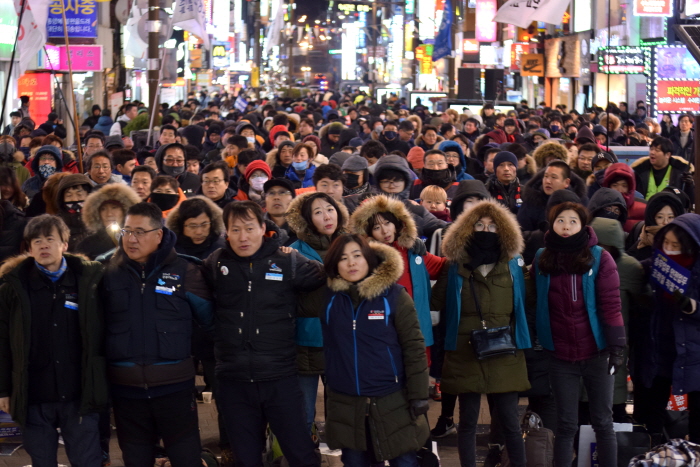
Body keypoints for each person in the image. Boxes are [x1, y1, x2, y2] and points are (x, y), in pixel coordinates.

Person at [202, 201, 325, 467]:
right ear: (227, 232)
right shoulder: (215, 263)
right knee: (246, 458)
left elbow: (327, 273)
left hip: (280, 377)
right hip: (233, 379)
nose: (243, 237)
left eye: (249, 228)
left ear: (262, 227)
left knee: (301, 453)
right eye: (236, 229)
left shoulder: (287, 260)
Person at [297, 234, 430, 466]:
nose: (351, 263)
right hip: (346, 402)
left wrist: (419, 395)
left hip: (392, 399)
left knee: (404, 460)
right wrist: (288, 257)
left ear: (368, 258)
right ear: (334, 265)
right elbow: (286, 301)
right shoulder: (328, 297)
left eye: (357, 256)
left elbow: (414, 348)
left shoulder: (395, 296)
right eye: (343, 258)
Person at [101, 202, 213, 467]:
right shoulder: (106, 272)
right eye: (126, 231)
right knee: (136, 459)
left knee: (186, 458)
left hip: (174, 387)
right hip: (126, 391)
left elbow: (210, 323)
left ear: (159, 234)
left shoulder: (186, 271)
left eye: (140, 232)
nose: (131, 239)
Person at [0, 214, 107, 467]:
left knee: (87, 460)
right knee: (42, 461)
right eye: (36, 241)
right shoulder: (12, 288)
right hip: (34, 393)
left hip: (79, 393)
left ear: (65, 244)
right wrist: (3, 389)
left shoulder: (89, 281)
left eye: (50, 239)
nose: (43, 245)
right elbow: (2, 341)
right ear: (29, 247)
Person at [431, 200, 531, 467]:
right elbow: (434, 301)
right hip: (465, 349)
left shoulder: (513, 266)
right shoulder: (455, 266)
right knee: (468, 421)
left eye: (492, 226)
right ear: (466, 229)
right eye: (479, 225)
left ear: (504, 232)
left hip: (505, 350)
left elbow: (527, 303)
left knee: (510, 421)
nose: (485, 230)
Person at [532, 202, 625, 467]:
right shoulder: (542, 257)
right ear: (552, 224)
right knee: (566, 424)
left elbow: (611, 304)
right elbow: (534, 299)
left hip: (597, 351)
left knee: (603, 422)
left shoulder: (599, 257)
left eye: (573, 221)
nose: (566, 226)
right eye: (560, 220)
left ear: (583, 225)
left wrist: (617, 346)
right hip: (559, 354)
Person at [285, 192, 349, 436]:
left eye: (330, 209)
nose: (326, 216)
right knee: (303, 411)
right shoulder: (292, 251)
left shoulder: (351, 245)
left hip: (341, 338)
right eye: (318, 212)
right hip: (306, 340)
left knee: (342, 408)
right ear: (307, 219)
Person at [632, 213, 700, 442]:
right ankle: (655, 450)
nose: (670, 249)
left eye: (676, 245)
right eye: (666, 243)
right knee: (654, 406)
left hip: (694, 350)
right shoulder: (656, 264)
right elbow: (631, 273)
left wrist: (693, 307)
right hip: (660, 344)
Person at [350, 194, 446, 350]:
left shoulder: (413, 252)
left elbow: (444, 267)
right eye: (376, 227)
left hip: (417, 331)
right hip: (382, 335)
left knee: (419, 370)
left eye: (387, 223)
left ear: (397, 223)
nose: (384, 230)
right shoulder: (365, 260)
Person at [590, 217, 649, 422]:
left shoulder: (629, 268)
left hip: (615, 341)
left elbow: (644, 301)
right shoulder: (580, 260)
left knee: (612, 400)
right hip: (591, 339)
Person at [75, 183, 141, 260]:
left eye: (114, 207)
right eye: (103, 209)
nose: (109, 214)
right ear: (96, 213)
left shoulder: (137, 238)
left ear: (125, 210)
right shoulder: (86, 245)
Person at [517, 161, 587, 232]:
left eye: (554, 177)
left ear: (566, 182)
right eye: (546, 176)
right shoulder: (531, 200)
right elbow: (522, 232)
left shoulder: (578, 202)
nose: (548, 181)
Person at [627, 191, 687, 262]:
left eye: (670, 217)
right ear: (651, 218)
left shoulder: (685, 243)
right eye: (660, 217)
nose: (665, 222)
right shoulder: (643, 239)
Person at [632, 136, 694, 203]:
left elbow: (689, 200)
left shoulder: (680, 173)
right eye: (651, 149)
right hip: (645, 210)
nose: (652, 152)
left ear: (668, 155)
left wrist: (689, 185)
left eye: (657, 150)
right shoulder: (640, 171)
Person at [601, 163, 647, 232]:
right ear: (608, 186)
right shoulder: (599, 207)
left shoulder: (644, 208)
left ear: (630, 187)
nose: (619, 190)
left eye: (624, 186)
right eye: (615, 185)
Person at [54, 174, 93, 251]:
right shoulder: (56, 223)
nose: (74, 199)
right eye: (69, 195)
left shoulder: (99, 218)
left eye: (79, 194)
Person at [262, 178, 296, 245]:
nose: (276, 197)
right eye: (271, 193)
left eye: (282, 192)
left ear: (293, 199)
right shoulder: (256, 227)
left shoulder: (303, 230)